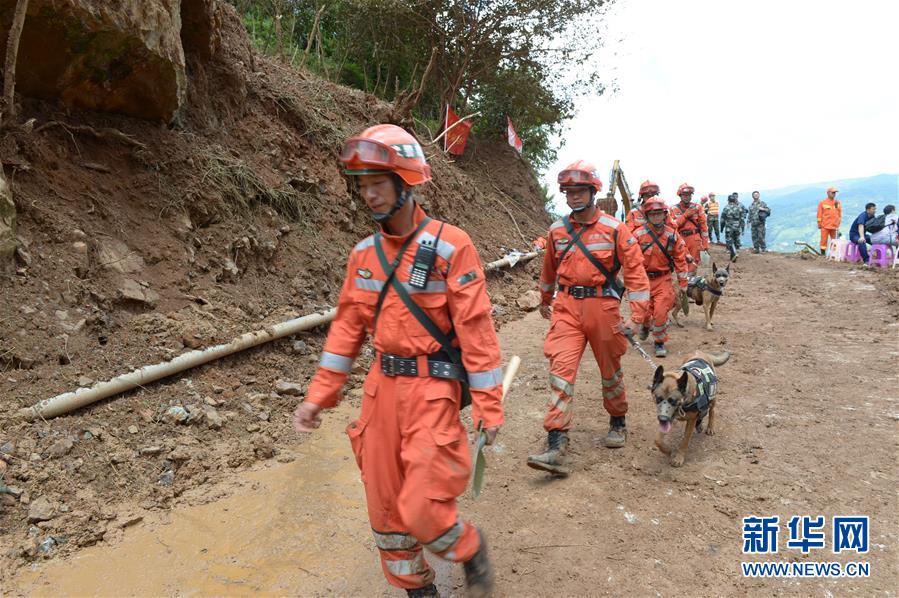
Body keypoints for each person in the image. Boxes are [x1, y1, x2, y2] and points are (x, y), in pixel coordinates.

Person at [294, 124, 503, 598]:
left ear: (405, 181)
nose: (368, 195)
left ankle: (468, 547)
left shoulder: (452, 245)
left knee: (423, 505)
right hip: (380, 391)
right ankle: (417, 590)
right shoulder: (363, 255)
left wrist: (489, 405)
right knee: (386, 507)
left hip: (433, 389)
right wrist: (318, 397)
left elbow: (476, 331)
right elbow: (346, 331)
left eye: (378, 183)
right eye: (362, 185)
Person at [529, 160, 649, 474]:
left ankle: (617, 420)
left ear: (592, 192)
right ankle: (556, 441)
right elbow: (548, 270)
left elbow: (635, 273)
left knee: (610, 371)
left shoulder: (614, 228)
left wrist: (637, 316)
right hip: (567, 307)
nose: (573, 197)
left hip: (603, 307)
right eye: (569, 191)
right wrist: (544, 299)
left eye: (580, 190)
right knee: (561, 371)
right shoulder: (557, 230)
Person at [633, 198, 689, 357]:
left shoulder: (672, 236)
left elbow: (680, 258)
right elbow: (629, 258)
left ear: (665, 215)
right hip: (642, 280)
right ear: (647, 215)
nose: (657, 217)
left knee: (660, 312)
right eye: (653, 214)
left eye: (659, 214)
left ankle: (659, 342)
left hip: (663, 279)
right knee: (643, 312)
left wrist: (683, 282)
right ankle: (645, 324)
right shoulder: (638, 235)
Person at [670, 183, 709, 272]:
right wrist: (686, 215)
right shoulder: (673, 209)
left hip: (695, 239)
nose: (687, 197)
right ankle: (684, 283)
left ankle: (691, 283)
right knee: (681, 263)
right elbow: (673, 226)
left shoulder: (698, 207)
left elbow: (703, 226)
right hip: (680, 239)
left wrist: (705, 243)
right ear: (680, 195)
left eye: (689, 195)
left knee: (693, 264)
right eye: (684, 195)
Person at [721, 193, 747, 261]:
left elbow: (722, 220)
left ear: (728, 200)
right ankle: (736, 251)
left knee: (729, 240)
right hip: (737, 226)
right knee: (737, 239)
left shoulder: (726, 208)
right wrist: (742, 228)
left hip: (729, 226)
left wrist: (721, 228)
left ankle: (733, 253)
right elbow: (742, 219)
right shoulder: (739, 208)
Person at [817, 186, 842, 255]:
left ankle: (833, 254)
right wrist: (819, 224)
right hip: (825, 225)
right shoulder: (822, 203)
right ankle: (823, 254)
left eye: (835, 193)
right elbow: (819, 214)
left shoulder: (837, 203)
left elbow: (839, 213)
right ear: (828, 193)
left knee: (834, 241)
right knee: (823, 240)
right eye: (833, 192)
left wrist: (838, 223)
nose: (834, 194)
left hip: (834, 226)